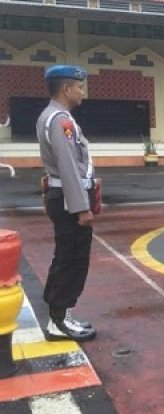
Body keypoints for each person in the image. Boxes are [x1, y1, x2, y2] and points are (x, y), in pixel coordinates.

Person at [37, 65, 97, 341]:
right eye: (79, 86)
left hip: (62, 196)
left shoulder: (50, 116)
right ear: (66, 89)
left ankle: (62, 314)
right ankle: (58, 321)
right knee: (71, 258)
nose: (81, 90)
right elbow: (69, 166)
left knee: (67, 256)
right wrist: (81, 207)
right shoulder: (60, 120)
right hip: (67, 200)